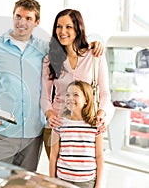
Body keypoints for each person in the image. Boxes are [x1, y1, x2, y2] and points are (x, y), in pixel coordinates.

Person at [0, 0, 103, 171]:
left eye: (28, 18)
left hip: (33, 136)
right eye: (18, 16)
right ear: (13, 16)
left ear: (37, 22)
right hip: (3, 133)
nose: (22, 23)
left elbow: (71, 46)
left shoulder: (46, 50)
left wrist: (93, 45)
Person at [41, 9, 114, 161]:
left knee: (83, 176)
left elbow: (105, 94)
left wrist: (101, 115)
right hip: (57, 127)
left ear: (78, 28)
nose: (62, 31)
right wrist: (50, 115)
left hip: (86, 128)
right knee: (59, 178)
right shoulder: (50, 60)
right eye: (59, 27)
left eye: (68, 27)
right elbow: (44, 96)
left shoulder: (94, 56)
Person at [49, 80, 104, 188]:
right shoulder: (59, 124)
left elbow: (99, 157)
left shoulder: (95, 126)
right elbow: (53, 155)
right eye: (68, 95)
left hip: (86, 182)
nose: (70, 98)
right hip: (62, 179)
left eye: (75, 95)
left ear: (86, 100)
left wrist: (98, 185)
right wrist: (52, 181)